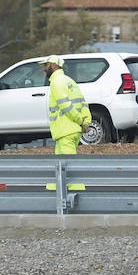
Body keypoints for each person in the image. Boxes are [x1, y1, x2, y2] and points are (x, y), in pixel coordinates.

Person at [45, 55, 91, 191]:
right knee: (60, 163)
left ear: (54, 65)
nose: (44, 69)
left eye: (46, 65)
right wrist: (85, 121)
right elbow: (83, 103)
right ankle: (56, 186)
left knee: (69, 165)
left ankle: (78, 191)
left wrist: (80, 121)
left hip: (66, 130)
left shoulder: (56, 82)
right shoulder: (70, 81)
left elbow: (66, 106)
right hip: (69, 131)